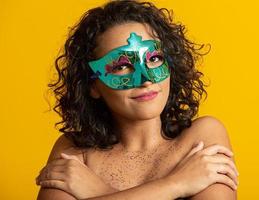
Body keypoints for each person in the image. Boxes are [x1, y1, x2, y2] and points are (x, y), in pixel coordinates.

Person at [35, 0, 239, 199]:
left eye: (154, 58)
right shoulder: (73, 150)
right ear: (93, 86)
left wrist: (97, 191)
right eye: (121, 66)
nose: (145, 79)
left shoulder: (203, 135)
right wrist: (177, 184)